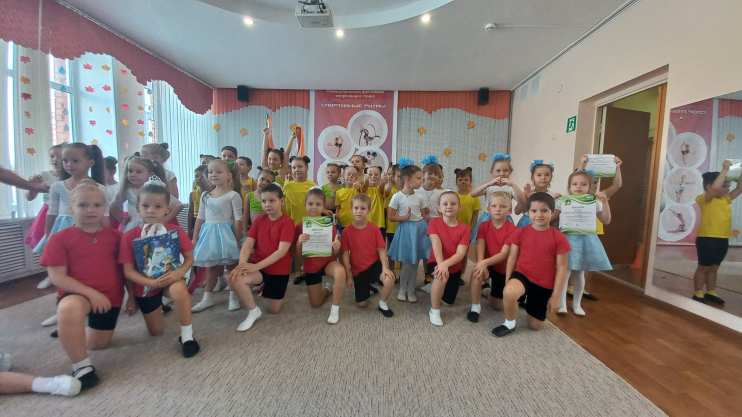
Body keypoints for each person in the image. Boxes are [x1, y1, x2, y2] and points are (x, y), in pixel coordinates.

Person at [40, 181, 127, 389]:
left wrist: (132, 297)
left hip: (111, 299)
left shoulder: (117, 237)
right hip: (77, 295)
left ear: (105, 207)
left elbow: (126, 270)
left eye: (97, 205)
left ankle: (69, 329)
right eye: (83, 205)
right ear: (72, 207)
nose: (90, 210)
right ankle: (81, 366)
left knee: (98, 345)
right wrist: (92, 294)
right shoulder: (59, 239)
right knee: (69, 308)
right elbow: (57, 277)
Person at [119, 179, 200, 357]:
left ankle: (187, 337)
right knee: (156, 331)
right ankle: (160, 304)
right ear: (138, 208)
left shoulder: (176, 231)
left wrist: (180, 272)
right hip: (145, 286)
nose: (151, 210)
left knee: (180, 290)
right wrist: (149, 284)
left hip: (171, 279)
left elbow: (189, 258)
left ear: (167, 210)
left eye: (157, 206)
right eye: (145, 206)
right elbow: (127, 271)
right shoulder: (129, 236)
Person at [492, 192, 569, 337]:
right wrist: (508, 280)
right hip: (523, 275)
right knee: (509, 292)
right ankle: (509, 323)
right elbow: (512, 258)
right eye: (534, 211)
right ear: (528, 212)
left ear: (553, 212)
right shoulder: (520, 232)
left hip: (544, 283)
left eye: (544, 210)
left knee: (535, 326)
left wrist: (556, 296)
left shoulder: (559, 238)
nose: (539, 215)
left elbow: (562, 267)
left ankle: (528, 301)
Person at [229, 183, 294, 331]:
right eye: (264, 201)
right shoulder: (259, 220)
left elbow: (281, 252)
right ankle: (253, 311)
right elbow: (248, 244)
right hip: (259, 268)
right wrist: (242, 264)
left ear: (281, 201)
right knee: (235, 278)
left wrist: (255, 266)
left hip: (278, 271)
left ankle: (262, 287)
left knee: (274, 310)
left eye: (272, 200)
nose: (267, 204)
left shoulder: (287, 222)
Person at [555, 170, 612, 316]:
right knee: (565, 273)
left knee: (579, 274)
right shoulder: (563, 201)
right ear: (569, 187)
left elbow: (606, 220)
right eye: (575, 184)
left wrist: (605, 202)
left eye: (583, 184)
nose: (578, 187)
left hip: (586, 241)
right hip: (567, 240)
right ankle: (562, 305)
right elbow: (551, 217)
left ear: (589, 187)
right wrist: (552, 201)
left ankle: (577, 304)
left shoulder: (594, 201)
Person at [191, 159, 243, 313]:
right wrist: (195, 237)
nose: (213, 174)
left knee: (232, 266)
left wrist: (237, 239)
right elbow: (200, 218)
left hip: (227, 234)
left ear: (229, 175)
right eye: (210, 172)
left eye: (218, 172)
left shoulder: (233, 195)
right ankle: (207, 298)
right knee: (211, 267)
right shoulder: (205, 195)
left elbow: (238, 219)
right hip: (209, 235)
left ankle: (233, 295)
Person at [692, 160, 742, 305]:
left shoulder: (726, 199)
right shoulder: (705, 198)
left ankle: (711, 292)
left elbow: (740, 188)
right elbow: (714, 189)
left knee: (714, 268)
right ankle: (698, 292)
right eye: (724, 186)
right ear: (708, 187)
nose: (727, 188)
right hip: (707, 239)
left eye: (728, 185)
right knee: (704, 267)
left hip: (722, 239)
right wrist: (725, 170)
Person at [294, 188, 346, 323]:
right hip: (311, 266)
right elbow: (298, 257)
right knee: (316, 304)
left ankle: (335, 309)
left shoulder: (329, 225)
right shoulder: (300, 227)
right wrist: (299, 242)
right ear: (305, 205)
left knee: (340, 272)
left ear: (323, 206)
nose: (314, 207)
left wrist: (337, 246)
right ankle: (327, 289)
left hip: (328, 262)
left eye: (318, 204)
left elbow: (336, 253)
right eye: (310, 204)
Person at [341, 194, 396, 317]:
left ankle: (382, 303)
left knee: (390, 278)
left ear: (369, 210)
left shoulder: (374, 229)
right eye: (356, 208)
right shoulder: (346, 231)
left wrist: (385, 268)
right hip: (358, 270)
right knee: (362, 304)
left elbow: (381, 250)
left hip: (374, 265)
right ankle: (369, 287)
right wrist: (349, 276)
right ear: (351, 209)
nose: (359, 211)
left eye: (363, 208)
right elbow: (345, 254)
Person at [468, 192, 516, 322]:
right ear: (488, 209)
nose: (498, 209)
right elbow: (480, 245)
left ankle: (487, 291)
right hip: (487, 263)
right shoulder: (484, 226)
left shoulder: (513, 230)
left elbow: (503, 254)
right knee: (477, 273)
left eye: (503, 206)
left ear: (509, 210)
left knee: (497, 306)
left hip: (502, 268)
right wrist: (481, 263)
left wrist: (484, 263)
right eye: (494, 206)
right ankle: (475, 307)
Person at [387, 159, 429, 303]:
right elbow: (391, 216)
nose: (421, 181)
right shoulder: (397, 196)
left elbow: (425, 214)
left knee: (415, 262)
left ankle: (411, 290)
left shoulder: (420, 196)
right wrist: (403, 217)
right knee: (406, 263)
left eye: (422, 178)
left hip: (419, 230)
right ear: (407, 179)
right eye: (418, 178)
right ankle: (402, 289)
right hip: (406, 230)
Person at [427, 191, 470, 326]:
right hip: (436, 261)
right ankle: (434, 311)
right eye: (445, 204)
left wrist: (445, 264)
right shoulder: (434, 222)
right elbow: (436, 245)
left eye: (453, 203)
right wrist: (441, 265)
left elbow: (460, 254)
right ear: (439, 208)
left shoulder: (465, 228)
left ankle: (434, 286)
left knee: (448, 301)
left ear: (459, 207)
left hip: (454, 266)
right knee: (441, 276)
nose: (449, 206)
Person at [25, 144, 64, 289]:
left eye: (59, 156)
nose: (55, 159)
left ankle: (65, 274)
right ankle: (51, 275)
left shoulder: (72, 176)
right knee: (47, 245)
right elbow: (29, 197)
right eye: (52, 156)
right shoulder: (44, 175)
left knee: (65, 246)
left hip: (66, 214)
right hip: (49, 214)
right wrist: (32, 186)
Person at [111, 156, 180, 233]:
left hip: (154, 225)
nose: (133, 174)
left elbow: (177, 205)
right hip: (134, 226)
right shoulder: (126, 190)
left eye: (138, 172)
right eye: (130, 171)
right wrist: (122, 219)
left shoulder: (154, 189)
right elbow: (113, 207)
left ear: (150, 174)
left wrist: (164, 220)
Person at [471, 152, 525, 231]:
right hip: (488, 218)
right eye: (498, 171)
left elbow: (522, 201)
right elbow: (473, 194)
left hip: (505, 219)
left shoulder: (510, 188)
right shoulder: (489, 187)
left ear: (510, 172)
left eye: (505, 170)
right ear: (492, 172)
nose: (502, 173)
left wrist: (513, 184)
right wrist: (488, 184)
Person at [514, 160, 557, 227]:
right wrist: (525, 195)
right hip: (526, 223)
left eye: (547, 175)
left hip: (543, 225)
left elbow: (554, 215)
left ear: (551, 177)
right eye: (539, 175)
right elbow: (517, 211)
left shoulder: (554, 196)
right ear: (532, 177)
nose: (543, 177)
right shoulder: (528, 192)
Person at [283, 156, 316, 225]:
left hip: (310, 224)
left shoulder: (313, 186)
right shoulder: (287, 186)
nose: (297, 169)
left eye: (300, 167)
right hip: (292, 224)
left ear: (306, 168)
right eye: (294, 167)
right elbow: (284, 207)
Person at [243, 168, 275, 232]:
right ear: (257, 179)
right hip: (254, 232)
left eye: (268, 181)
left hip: (269, 231)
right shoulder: (249, 196)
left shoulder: (273, 198)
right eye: (262, 179)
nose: (264, 183)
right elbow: (245, 217)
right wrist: (245, 232)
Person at [454, 167, 480, 233]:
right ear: (456, 182)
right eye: (460, 180)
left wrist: (471, 227)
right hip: (454, 227)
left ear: (470, 182)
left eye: (466, 180)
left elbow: (475, 214)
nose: (463, 182)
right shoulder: (453, 196)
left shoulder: (474, 196)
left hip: (468, 228)